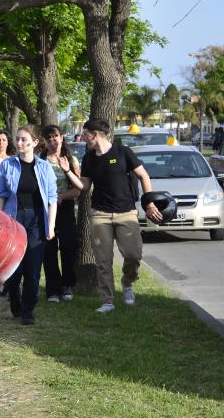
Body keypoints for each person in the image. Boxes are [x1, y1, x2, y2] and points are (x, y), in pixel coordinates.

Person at [79, 119, 164, 314]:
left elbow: (144, 176)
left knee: (133, 254)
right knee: (103, 260)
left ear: (95, 133)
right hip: (99, 214)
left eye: (86, 134)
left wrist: (149, 203)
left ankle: (127, 282)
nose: (84, 138)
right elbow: (85, 187)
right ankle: (107, 300)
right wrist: (68, 171)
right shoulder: (88, 158)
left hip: (126, 212)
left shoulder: (123, 152)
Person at [0, 126, 58, 325]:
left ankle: (28, 309)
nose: (19, 143)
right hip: (13, 219)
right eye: (18, 139)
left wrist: (51, 226)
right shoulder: (7, 165)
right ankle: (15, 299)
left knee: (33, 267)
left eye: (24, 140)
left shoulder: (44, 167)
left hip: (37, 220)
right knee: (14, 267)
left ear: (34, 142)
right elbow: (0, 196)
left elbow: (52, 198)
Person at [39, 124, 83, 303]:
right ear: (44, 142)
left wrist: (61, 197)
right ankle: (52, 289)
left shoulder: (70, 159)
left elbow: (78, 189)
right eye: (48, 139)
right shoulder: (40, 160)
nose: (52, 141)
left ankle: (67, 285)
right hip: (46, 210)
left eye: (55, 137)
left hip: (64, 209)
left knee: (68, 247)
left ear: (62, 137)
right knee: (48, 250)